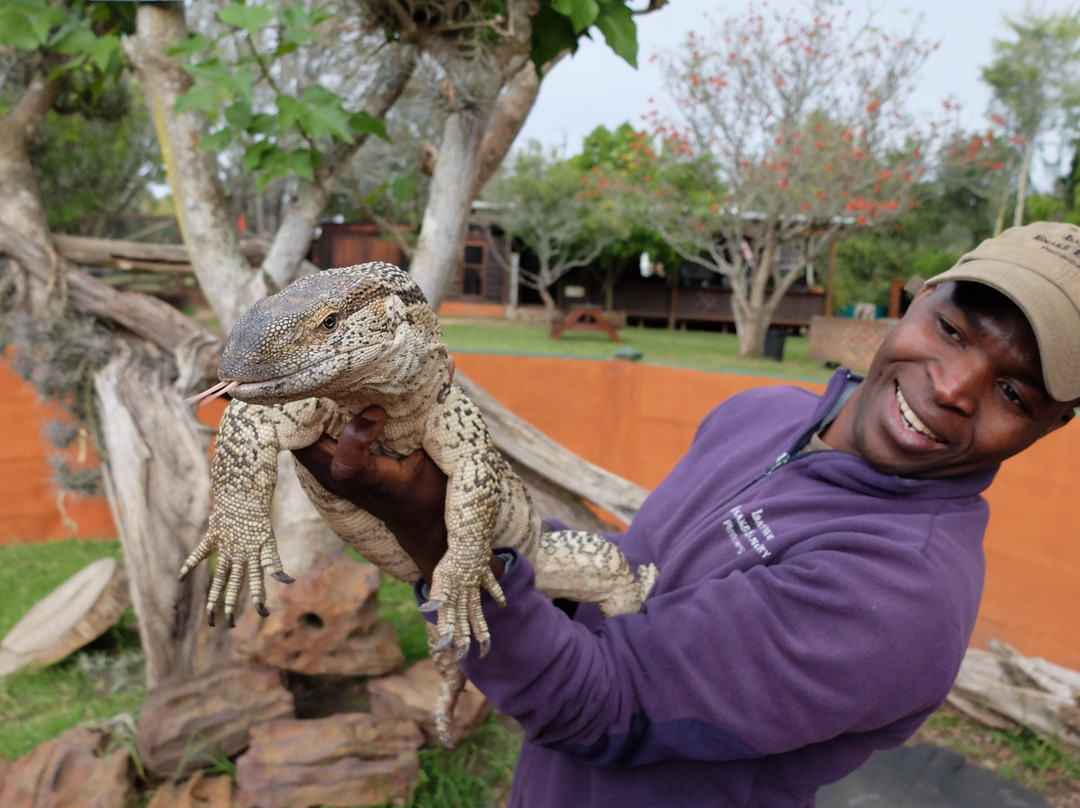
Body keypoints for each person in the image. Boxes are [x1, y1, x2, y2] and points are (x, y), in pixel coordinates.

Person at [294, 220, 1080, 807]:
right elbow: (630, 577)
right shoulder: (763, 412)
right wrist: (472, 505)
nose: (954, 387)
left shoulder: (899, 595)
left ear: (1051, 426)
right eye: (951, 330)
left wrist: (438, 536)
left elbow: (602, 704)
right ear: (919, 299)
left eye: (1014, 392)